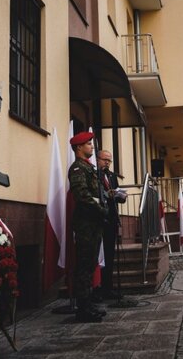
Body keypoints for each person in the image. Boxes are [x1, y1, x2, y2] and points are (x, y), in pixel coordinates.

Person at [68, 131, 109, 322]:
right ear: (79, 147)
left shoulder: (89, 168)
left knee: (91, 263)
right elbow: (82, 195)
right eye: (88, 143)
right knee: (84, 265)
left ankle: (88, 304)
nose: (92, 146)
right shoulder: (78, 168)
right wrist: (101, 209)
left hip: (93, 222)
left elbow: (96, 192)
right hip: (85, 222)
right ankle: (83, 309)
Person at [94, 150, 126, 300]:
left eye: (109, 160)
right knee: (98, 256)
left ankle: (108, 287)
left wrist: (121, 196)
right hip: (99, 220)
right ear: (97, 159)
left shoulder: (112, 176)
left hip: (111, 219)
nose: (107, 162)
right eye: (104, 159)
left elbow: (117, 196)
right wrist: (107, 195)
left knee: (109, 255)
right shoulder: (94, 175)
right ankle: (97, 288)